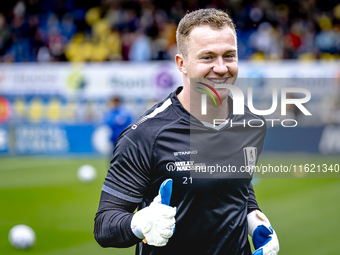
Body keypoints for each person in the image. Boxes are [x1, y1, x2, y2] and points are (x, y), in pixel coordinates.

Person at [94, 9, 279, 255]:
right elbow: (104, 226)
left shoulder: (251, 125)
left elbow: (238, 189)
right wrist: (139, 224)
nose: (222, 68)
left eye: (229, 56)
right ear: (182, 63)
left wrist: (255, 219)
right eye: (208, 58)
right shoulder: (145, 135)